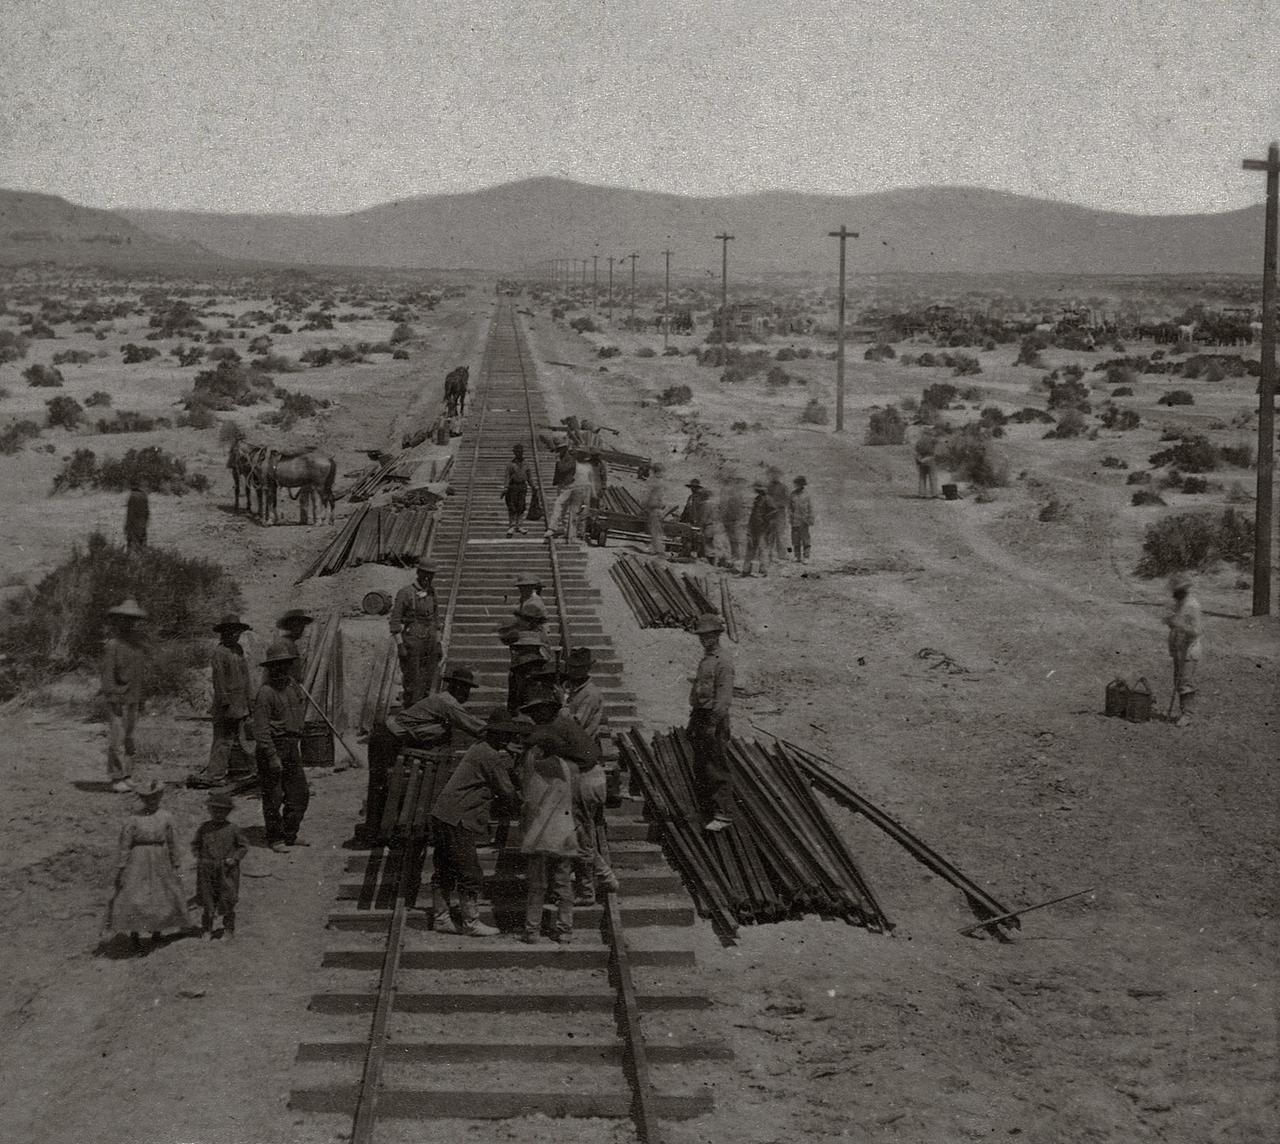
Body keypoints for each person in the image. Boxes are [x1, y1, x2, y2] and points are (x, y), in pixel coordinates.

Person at [427, 707, 525, 936]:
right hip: (458, 818)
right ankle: (471, 922)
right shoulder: (489, 755)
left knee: (444, 867)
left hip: (444, 814)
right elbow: (507, 791)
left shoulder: (480, 748)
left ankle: (441, 918)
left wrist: (508, 753)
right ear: (496, 734)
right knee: (469, 871)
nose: (509, 738)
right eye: (506, 734)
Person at [361, 665, 485, 845]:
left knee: (383, 784)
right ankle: (373, 833)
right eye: (466, 689)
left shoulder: (444, 702)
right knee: (381, 783)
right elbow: (474, 726)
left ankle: (378, 830)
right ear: (457, 688)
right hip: (386, 738)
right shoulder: (447, 702)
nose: (467, 694)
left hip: (392, 738)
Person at [518, 688, 580, 944]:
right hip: (564, 834)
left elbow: (527, 803)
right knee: (563, 884)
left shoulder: (533, 772)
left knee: (537, 885)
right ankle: (565, 930)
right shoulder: (568, 768)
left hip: (539, 835)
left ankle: (532, 930)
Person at [101, 778, 189, 954]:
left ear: (160, 797)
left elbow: (173, 841)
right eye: (147, 799)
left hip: (161, 858)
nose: (151, 802)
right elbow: (125, 844)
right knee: (136, 895)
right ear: (142, 799)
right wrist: (122, 866)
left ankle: (157, 932)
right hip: (138, 860)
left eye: (155, 798)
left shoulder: (166, 816)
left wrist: (176, 862)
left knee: (162, 895)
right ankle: (135, 936)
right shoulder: (134, 820)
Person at [563, 648, 618, 905]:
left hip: (585, 769)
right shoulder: (575, 691)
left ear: (586, 669)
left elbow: (574, 725)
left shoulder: (589, 694)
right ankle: (602, 875)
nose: (573, 672)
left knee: (581, 831)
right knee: (578, 829)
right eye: (571, 667)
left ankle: (589, 888)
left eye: (577, 668)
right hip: (579, 765)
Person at [252, 641, 310, 853]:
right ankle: (275, 838)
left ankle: (290, 834)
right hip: (273, 748)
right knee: (273, 796)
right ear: (270, 668)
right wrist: (272, 756)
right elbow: (261, 730)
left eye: (285, 665)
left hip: (291, 746)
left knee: (300, 794)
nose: (281, 669)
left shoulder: (293, 688)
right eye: (277, 666)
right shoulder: (265, 693)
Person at [189, 614, 253, 788]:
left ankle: (241, 771)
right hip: (227, 705)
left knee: (241, 739)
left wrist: (250, 701)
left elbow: (246, 677)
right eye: (231, 632)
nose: (235, 635)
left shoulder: (238, 650)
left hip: (241, 704)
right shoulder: (220, 652)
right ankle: (215, 775)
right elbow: (220, 681)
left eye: (237, 632)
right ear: (224, 633)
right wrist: (226, 704)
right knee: (223, 740)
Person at [687, 613, 735, 831]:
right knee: (701, 762)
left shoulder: (723, 662)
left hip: (713, 717)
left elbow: (723, 698)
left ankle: (723, 814)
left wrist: (713, 722)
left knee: (716, 764)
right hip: (700, 714)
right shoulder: (706, 659)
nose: (704, 639)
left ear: (717, 635)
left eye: (708, 636)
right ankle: (707, 809)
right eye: (701, 636)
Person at [101, 598, 148, 793]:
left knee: (130, 739)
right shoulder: (112, 645)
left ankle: (127, 775)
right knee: (117, 739)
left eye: (132, 619)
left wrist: (142, 698)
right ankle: (116, 777)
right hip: (118, 700)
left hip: (133, 698)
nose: (128, 623)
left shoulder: (137, 645)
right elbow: (107, 674)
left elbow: (140, 675)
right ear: (118, 621)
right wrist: (114, 697)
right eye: (124, 619)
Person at [192, 791, 248, 939]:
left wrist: (234, 858)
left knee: (227, 898)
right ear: (209, 810)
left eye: (222, 811)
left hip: (227, 869)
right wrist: (200, 858)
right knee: (207, 897)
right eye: (214, 810)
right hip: (207, 869)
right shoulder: (204, 828)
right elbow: (195, 844)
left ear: (228, 812)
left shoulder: (233, 828)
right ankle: (207, 929)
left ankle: (228, 929)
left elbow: (243, 846)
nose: (218, 813)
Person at [389, 558, 441, 705]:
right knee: (412, 678)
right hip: (413, 640)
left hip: (430, 640)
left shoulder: (432, 593)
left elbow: (436, 620)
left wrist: (438, 643)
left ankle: (423, 712)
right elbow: (395, 622)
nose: (428, 578)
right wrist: (400, 645)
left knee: (428, 677)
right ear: (418, 573)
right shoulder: (405, 593)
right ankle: (410, 711)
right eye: (425, 574)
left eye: (431, 575)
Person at [1164, 572, 1203, 727]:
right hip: (1179, 648)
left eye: (1176, 591)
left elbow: (1197, 630)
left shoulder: (1192, 606)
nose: (1174, 595)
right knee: (1179, 681)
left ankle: (1188, 715)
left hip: (1189, 649)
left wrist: (1178, 625)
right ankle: (1183, 711)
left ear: (1183, 591)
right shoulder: (1179, 604)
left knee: (1185, 682)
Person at [543, 441, 578, 539]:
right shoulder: (563, 458)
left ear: (565, 449)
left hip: (569, 487)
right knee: (564, 510)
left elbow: (562, 469)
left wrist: (558, 461)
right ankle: (566, 531)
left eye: (560, 450)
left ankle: (552, 528)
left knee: (557, 504)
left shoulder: (570, 459)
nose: (558, 452)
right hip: (562, 486)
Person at [741, 482, 775, 577]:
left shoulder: (768, 499)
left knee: (762, 548)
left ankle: (763, 571)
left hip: (763, 528)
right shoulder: (757, 499)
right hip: (754, 527)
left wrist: (764, 520)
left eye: (760, 489)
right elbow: (753, 515)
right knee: (750, 548)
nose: (758, 491)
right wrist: (749, 527)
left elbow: (774, 512)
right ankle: (746, 570)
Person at [276, 609, 314, 685]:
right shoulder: (283, 644)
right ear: (290, 626)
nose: (302, 629)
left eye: (302, 626)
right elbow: (279, 672)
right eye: (297, 625)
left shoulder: (291, 644)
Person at [502, 444, 533, 537]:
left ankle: (519, 525)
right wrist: (506, 487)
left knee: (521, 506)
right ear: (514, 453)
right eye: (517, 452)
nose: (519, 454)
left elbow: (529, 477)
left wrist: (533, 486)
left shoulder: (526, 464)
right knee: (512, 506)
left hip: (522, 486)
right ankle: (511, 525)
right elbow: (507, 476)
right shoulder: (511, 464)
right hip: (513, 487)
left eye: (520, 452)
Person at [764, 469, 790, 560]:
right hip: (769, 515)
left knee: (780, 534)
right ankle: (768, 554)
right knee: (769, 534)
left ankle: (782, 555)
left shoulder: (784, 487)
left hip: (780, 515)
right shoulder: (767, 487)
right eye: (772, 474)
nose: (775, 476)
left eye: (777, 474)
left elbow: (787, 501)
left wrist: (777, 505)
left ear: (780, 475)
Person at [643, 463, 668, 558]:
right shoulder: (662, 482)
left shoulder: (653, 481)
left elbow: (647, 495)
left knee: (655, 530)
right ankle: (658, 549)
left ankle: (658, 551)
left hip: (653, 508)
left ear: (654, 471)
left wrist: (644, 505)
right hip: (660, 508)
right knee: (658, 529)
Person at [789, 476, 815, 564]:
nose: (796, 485)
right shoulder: (792, 494)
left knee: (805, 539)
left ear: (802, 484)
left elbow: (810, 508)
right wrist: (790, 517)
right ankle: (797, 556)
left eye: (798, 484)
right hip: (795, 520)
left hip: (804, 521)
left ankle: (806, 557)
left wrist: (810, 519)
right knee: (795, 539)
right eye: (795, 484)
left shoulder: (806, 495)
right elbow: (790, 507)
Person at [124, 485, 149, 551]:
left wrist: (127, 526)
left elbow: (130, 513)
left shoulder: (133, 496)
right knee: (143, 543)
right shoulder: (144, 495)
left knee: (133, 544)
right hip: (142, 524)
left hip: (134, 524)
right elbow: (147, 512)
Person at [914, 433, 940, 498]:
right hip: (930, 459)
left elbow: (916, 451)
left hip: (922, 459)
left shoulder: (919, 442)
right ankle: (934, 494)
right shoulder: (932, 440)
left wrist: (918, 460)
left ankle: (921, 494)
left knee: (922, 478)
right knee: (932, 477)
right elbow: (941, 442)